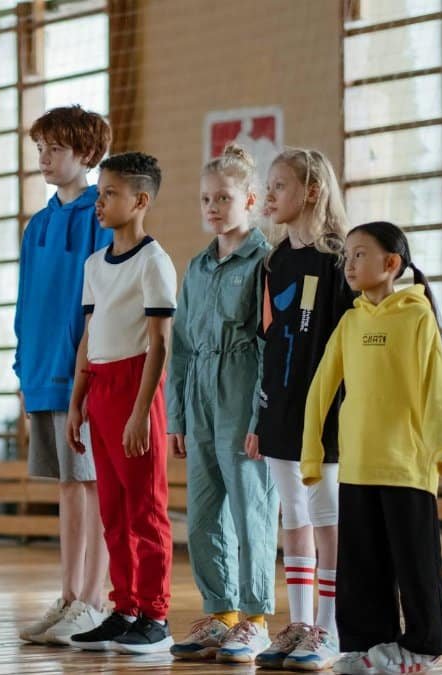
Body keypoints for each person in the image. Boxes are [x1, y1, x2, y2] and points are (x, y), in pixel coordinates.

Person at [304, 222, 442, 675]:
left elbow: (438, 389)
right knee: (361, 565)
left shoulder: (417, 316)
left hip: (408, 467)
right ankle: (367, 643)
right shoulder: (350, 322)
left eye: (360, 255)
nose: (349, 264)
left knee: (414, 564)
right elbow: (320, 389)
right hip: (357, 468)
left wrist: (439, 450)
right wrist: (312, 453)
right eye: (346, 256)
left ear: (391, 264)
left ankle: (422, 646)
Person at [166, 144, 277, 662]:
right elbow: (182, 347)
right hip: (201, 400)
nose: (212, 207)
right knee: (205, 513)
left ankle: (255, 618)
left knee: (253, 508)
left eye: (224, 197)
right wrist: (178, 417)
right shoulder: (196, 267)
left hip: (241, 397)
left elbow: (269, 348)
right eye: (205, 198)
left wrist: (261, 417)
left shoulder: (265, 264)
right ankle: (222, 613)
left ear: (250, 200)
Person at [65, 152, 177, 655]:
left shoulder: (154, 262)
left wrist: (139, 411)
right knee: (112, 509)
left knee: (145, 510)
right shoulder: (94, 265)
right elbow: (89, 336)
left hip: (136, 388)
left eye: (109, 193)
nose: (99, 202)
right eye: (99, 192)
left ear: (140, 200)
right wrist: (77, 400)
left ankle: (155, 614)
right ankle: (124, 606)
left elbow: (160, 343)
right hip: (101, 389)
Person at [248, 148, 354, 669]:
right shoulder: (274, 262)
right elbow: (271, 342)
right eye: (267, 186)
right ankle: (299, 623)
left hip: (326, 414)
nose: (269, 196)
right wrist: (261, 418)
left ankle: (329, 630)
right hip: (281, 410)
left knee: (325, 515)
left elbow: (346, 345)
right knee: (292, 515)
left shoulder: (338, 261)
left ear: (311, 191)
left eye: (280, 186)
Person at [15, 106, 115, 646]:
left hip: (84, 376)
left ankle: (95, 601)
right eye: (40, 150)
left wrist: (88, 365)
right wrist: (22, 363)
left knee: (92, 485)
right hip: (42, 374)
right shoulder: (39, 223)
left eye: (55, 149)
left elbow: (103, 300)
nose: (45, 160)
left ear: (86, 153)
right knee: (67, 488)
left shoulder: (99, 216)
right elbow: (27, 299)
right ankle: (69, 594)